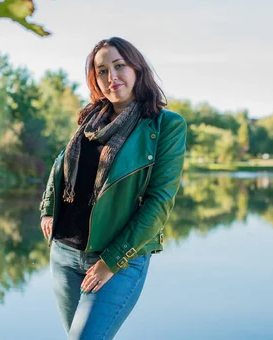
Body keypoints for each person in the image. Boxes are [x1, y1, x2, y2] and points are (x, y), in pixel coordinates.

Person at [39, 37, 187, 339]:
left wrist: (111, 262)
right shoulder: (90, 121)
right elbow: (61, 165)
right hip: (65, 254)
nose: (111, 77)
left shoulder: (164, 126)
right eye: (102, 70)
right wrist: (47, 208)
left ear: (137, 69)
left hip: (117, 258)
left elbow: (158, 202)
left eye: (119, 66)